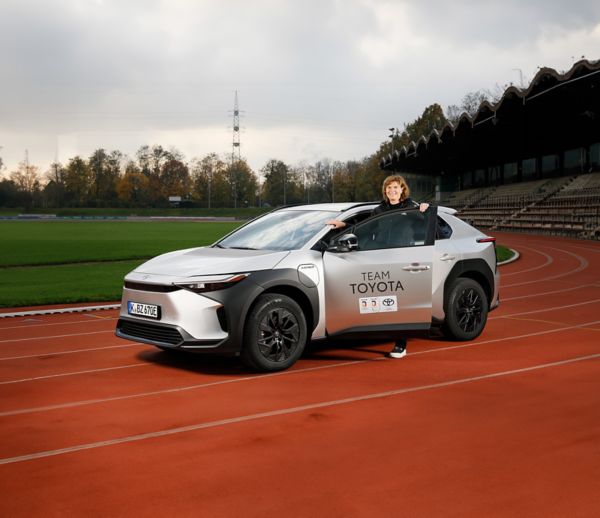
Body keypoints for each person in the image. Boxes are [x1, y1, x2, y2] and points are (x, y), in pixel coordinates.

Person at [327, 174, 429, 359]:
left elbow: (425, 226)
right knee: (385, 299)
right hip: (381, 256)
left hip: (403, 256)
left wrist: (425, 210)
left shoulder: (412, 207)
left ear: (402, 190)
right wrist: (343, 225)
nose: (392, 191)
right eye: (389, 188)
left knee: (399, 300)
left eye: (395, 187)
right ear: (385, 191)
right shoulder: (379, 210)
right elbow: (364, 227)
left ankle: (401, 343)